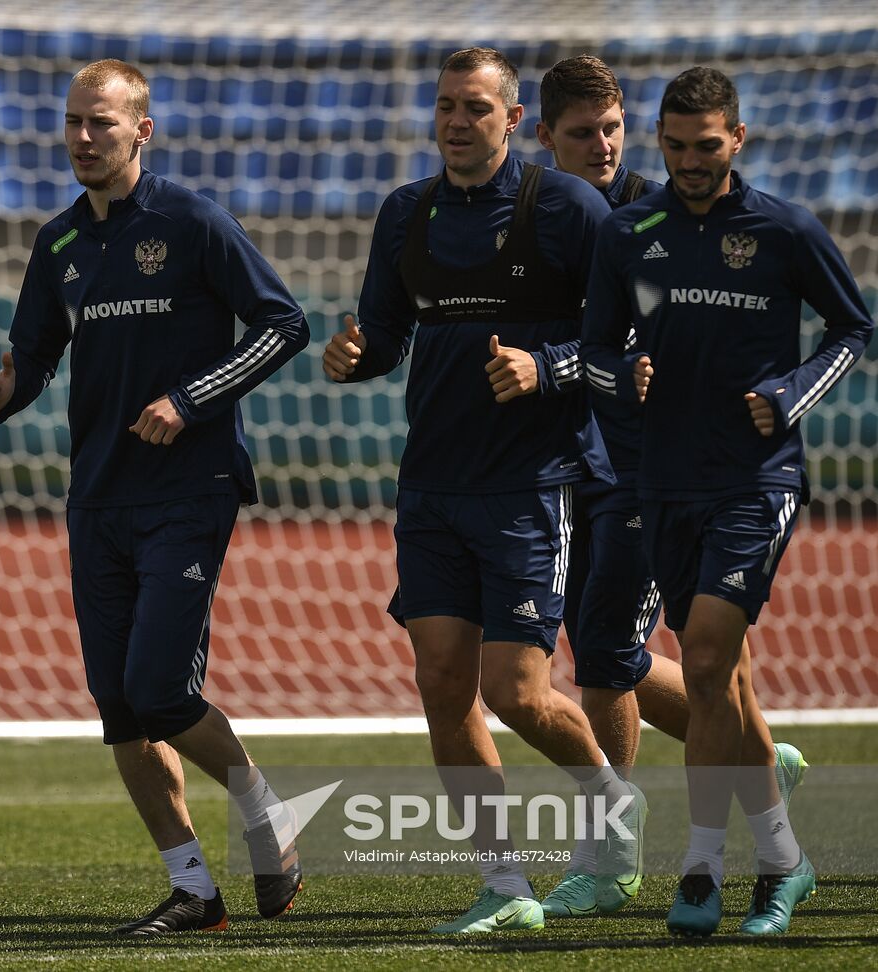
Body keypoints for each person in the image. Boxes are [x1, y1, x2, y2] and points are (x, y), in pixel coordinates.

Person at [0, 59, 310, 936]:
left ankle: (266, 809)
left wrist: (191, 400)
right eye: (74, 123)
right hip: (100, 496)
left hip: (190, 490)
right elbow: (34, 358)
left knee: (158, 688)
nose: (84, 138)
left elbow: (284, 324)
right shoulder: (59, 243)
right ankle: (193, 887)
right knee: (119, 706)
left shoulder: (191, 221)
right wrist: (4, 396)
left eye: (103, 124)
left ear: (141, 132)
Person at [323, 47, 643, 932]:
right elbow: (385, 334)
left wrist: (545, 368)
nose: (456, 122)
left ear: (512, 120)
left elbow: (623, 346)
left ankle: (615, 808)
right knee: (441, 686)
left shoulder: (569, 208)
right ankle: (504, 887)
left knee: (518, 692)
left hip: (531, 484)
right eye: (444, 107)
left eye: (474, 107)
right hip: (430, 484)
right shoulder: (405, 213)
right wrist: (357, 358)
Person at [582, 66, 873, 936]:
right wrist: (619, 370)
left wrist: (791, 391)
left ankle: (702, 870)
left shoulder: (784, 230)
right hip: (661, 482)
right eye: (675, 148)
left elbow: (852, 328)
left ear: (737, 140)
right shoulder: (634, 233)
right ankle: (785, 863)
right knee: (725, 682)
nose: (690, 163)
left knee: (704, 659)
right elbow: (598, 345)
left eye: (707, 147)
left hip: (756, 480)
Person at [534, 55, 806, 918]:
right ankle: (757, 764)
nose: (603, 145)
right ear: (543, 137)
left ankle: (612, 858)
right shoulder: (535, 216)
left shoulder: (660, 215)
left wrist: (553, 369)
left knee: (607, 659)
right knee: (649, 658)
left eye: (612, 127)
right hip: (562, 462)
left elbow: (624, 346)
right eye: (583, 133)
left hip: (648, 472)